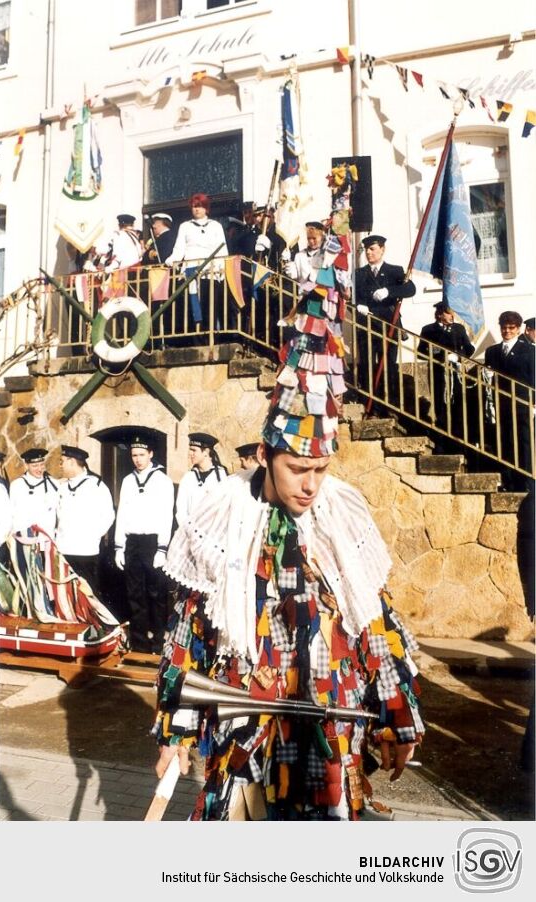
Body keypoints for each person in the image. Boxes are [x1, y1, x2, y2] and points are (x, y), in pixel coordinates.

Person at [153, 225, 424, 822]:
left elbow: (370, 618)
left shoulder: (338, 519)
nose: (310, 484)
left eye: (321, 469)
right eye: (298, 468)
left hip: (329, 742)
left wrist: (398, 714)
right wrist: (175, 730)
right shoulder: (226, 521)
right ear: (266, 454)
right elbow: (190, 631)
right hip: (246, 738)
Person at [114, 434, 175, 653]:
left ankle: (158, 641)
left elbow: (166, 515)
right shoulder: (128, 480)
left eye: (141, 454)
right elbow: (122, 512)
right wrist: (119, 545)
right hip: (132, 543)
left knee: (157, 594)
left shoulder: (162, 481)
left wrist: (162, 547)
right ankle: (140, 643)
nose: (137, 459)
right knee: (135, 594)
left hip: (152, 543)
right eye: (134, 455)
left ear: (151, 454)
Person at [354, 234, 416, 413]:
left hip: (388, 325)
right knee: (366, 365)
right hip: (366, 325)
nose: (368, 252)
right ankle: (369, 406)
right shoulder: (359, 273)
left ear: (382, 249)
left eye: (372, 249)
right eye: (366, 249)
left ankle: (388, 407)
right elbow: (352, 297)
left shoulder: (394, 271)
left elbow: (410, 289)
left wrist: (389, 291)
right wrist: (358, 306)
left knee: (388, 366)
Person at [484, 311, 535, 492]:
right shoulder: (492, 351)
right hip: (502, 403)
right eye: (504, 327)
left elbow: (533, 378)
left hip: (523, 403)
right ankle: (508, 481)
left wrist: (534, 403)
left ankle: (528, 482)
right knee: (504, 441)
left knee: (524, 442)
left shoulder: (529, 350)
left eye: (511, 328)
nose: (507, 331)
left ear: (519, 329)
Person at [55, 445, 115, 598]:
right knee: (66, 594)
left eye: (62, 461)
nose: (59, 465)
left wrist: (92, 536)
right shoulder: (62, 487)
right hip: (64, 550)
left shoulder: (96, 486)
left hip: (86, 551)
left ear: (72, 462)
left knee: (88, 594)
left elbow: (108, 515)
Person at [165, 194, 228, 334]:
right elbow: (179, 248)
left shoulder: (216, 226)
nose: (197, 209)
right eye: (194, 206)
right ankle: (195, 338)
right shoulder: (185, 226)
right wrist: (172, 260)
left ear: (206, 208)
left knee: (210, 306)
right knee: (192, 306)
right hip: (191, 270)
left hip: (210, 271)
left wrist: (221, 269)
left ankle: (210, 337)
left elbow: (222, 250)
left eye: (199, 206)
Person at [417, 302, 475, 448]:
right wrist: (441, 356)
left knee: (457, 405)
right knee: (440, 405)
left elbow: (469, 349)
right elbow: (421, 352)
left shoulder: (458, 329)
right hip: (437, 372)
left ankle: (458, 442)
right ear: (439, 314)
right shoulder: (429, 330)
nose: (452, 316)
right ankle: (442, 442)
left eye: (452, 313)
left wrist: (458, 356)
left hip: (455, 373)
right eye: (449, 313)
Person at [175, 433, 227, 528]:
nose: (190, 453)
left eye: (194, 450)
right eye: (190, 450)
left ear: (206, 452)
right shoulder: (188, 478)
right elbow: (181, 510)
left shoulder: (222, 477)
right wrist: (189, 531)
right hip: (190, 534)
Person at [9, 448, 59, 537]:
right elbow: (11, 512)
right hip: (23, 537)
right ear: (27, 465)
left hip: (47, 537)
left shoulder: (54, 484)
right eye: (35, 466)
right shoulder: (17, 485)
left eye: (42, 464)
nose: (39, 469)